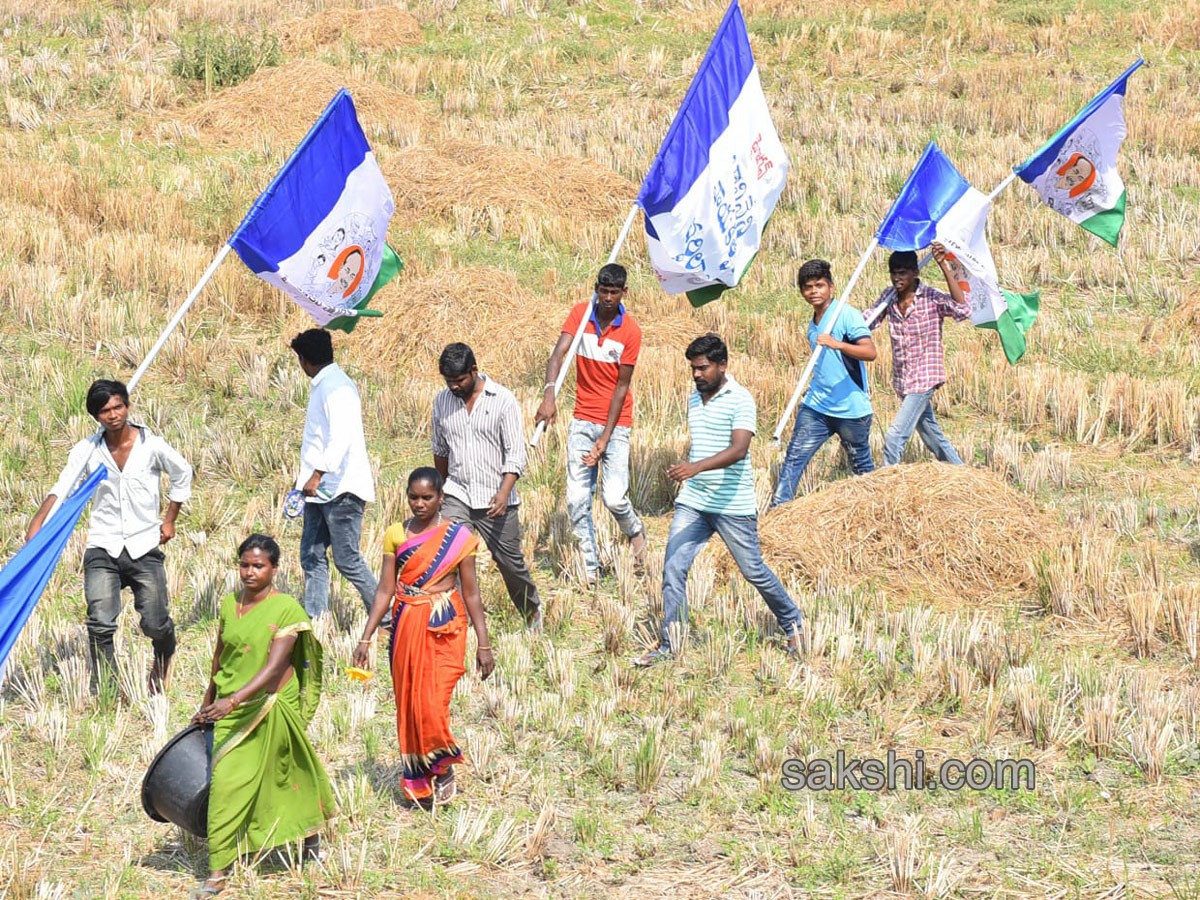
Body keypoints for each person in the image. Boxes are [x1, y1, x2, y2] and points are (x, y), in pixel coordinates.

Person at [634, 335, 803, 667]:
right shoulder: (694, 399)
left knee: (753, 570)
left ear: (722, 365)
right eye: (693, 369)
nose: (696, 375)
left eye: (703, 368)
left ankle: (793, 623)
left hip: (732, 506)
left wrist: (694, 467)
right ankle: (672, 642)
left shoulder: (741, 399)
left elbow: (739, 450)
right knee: (673, 567)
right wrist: (691, 472)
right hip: (694, 502)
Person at [189, 534, 335, 898]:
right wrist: (209, 699)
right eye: (245, 565)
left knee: (284, 773)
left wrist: (233, 701)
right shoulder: (228, 603)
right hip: (229, 705)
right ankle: (220, 867)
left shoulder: (285, 609)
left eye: (259, 566)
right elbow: (220, 656)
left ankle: (307, 838)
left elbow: (274, 667)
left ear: (274, 569)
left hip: (267, 702)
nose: (250, 572)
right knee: (226, 783)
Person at [25, 379, 192, 695]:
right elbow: (63, 488)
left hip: (144, 544)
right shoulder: (87, 451)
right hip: (103, 545)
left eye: (118, 407)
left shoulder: (151, 446)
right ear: (96, 416)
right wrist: (39, 521)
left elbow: (183, 473)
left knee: (155, 622)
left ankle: (164, 653)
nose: (113, 415)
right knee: (100, 621)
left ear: (128, 406)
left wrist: (169, 521)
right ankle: (107, 688)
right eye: (105, 410)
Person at [353, 468, 495, 807]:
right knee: (409, 701)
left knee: (433, 700)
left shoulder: (460, 538)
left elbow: (472, 593)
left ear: (441, 498)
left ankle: (442, 765)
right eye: (413, 497)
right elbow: (385, 588)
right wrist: (366, 636)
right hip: (406, 620)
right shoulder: (395, 534)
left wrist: (484, 643)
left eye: (427, 497)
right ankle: (418, 780)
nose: (419, 504)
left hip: (445, 620)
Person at [534, 264, 648, 585]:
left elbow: (621, 388)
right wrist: (549, 394)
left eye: (615, 292)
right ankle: (590, 567)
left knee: (613, 497)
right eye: (604, 291)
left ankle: (636, 532)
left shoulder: (631, 332)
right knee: (576, 499)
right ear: (596, 288)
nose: (608, 298)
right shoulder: (581, 315)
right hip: (582, 419)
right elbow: (558, 354)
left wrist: (605, 439)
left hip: (616, 423)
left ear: (624, 293)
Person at [432, 343, 542, 628]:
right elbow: (440, 450)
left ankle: (532, 613)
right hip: (457, 493)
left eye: (460, 380)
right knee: (451, 558)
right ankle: (458, 622)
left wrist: (504, 492)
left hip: (496, 496)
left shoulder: (502, 399)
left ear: (474, 371)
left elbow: (515, 453)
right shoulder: (442, 402)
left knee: (509, 564)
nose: (454, 387)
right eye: (449, 382)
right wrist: (441, 491)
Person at [771, 259, 877, 507]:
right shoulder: (814, 324)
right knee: (795, 456)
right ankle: (779, 509)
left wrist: (837, 343)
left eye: (819, 285)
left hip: (851, 409)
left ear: (831, 286)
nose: (814, 292)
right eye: (808, 287)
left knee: (862, 466)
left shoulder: (846, 315)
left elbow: (870, 352)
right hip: (818, 405)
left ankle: (875, 507)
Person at [290, 328, 379, 622]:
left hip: (341, 490)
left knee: (347, 559)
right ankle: (316, 618)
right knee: (312, 556)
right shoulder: (326, 384)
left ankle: (386, 617)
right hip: (319, 491)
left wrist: (316, 474)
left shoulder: (336, 388)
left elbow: (340, 438)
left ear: (304, 360)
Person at [867, 245, 970, 466]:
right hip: (904, 380)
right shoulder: (889, 297)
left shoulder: (930, 298)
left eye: (902, 273)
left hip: (925, 378)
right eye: (894, 273)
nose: (897, 278)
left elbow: (962, 309)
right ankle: (962, 473)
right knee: (932, 435)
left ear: (915, 273)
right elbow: (869, 319)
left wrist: (944, 265)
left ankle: (887, 485)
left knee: (894, 438)